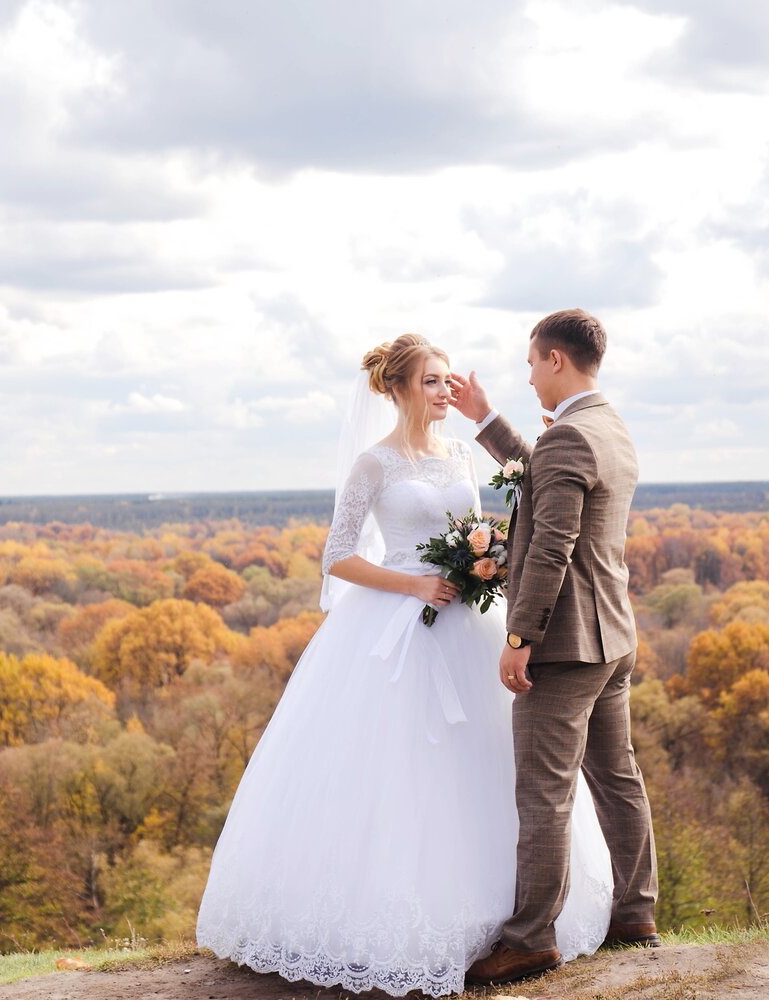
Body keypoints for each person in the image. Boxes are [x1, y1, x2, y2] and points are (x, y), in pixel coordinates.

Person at [196, 334, 613, 997]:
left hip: (471, 624)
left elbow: (522, 504)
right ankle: (382, 923)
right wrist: (416, 584)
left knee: (492, 764)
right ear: (396, 389)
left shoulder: (459, 454)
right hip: (396, 629)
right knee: (397, 769)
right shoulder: (374, 464)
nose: (444, 392)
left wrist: (486, 560)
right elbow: (337, 556)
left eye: (449, 380)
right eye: (431, 381)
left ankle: (517, 923)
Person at [450, 308, 659, 989]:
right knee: (617, 779)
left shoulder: (571, 436)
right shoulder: (608, 427)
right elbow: (542, 474)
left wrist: (520, 636)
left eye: (532, 363)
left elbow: (550, 545)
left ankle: (530, 938)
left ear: (557, 360)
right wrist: (486, 419)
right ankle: (636, 913)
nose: (530, 375)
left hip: (565, 647)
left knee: (544, 794)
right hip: (612, 639)